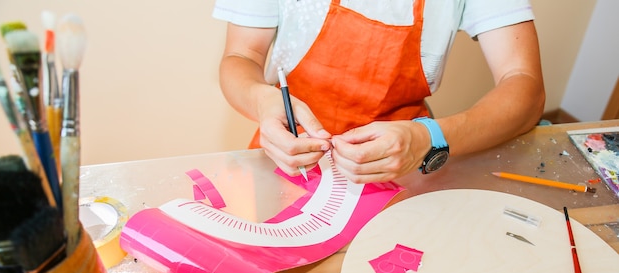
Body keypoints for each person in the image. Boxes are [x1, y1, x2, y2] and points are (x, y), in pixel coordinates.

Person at [212, 0, 545, 184]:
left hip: (405, 164)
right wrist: (263, 100)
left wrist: (429, 137)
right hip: (288, 159)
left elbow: (525, 86)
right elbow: (240, 57)